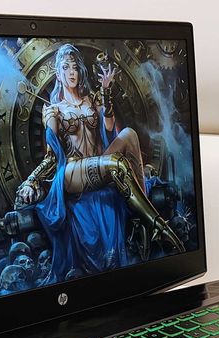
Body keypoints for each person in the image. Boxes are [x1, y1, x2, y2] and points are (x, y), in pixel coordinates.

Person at [15, 44, 185, 283]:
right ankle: (157, 225)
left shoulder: (91, 100)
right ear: (58, 73)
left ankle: (143, 209)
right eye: (65, 67)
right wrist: (32, 180)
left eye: (75, 67)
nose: (71, 72)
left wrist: (105, 92)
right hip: (72, 172)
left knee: (129, 134)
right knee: (115, 164)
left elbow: (108, 129)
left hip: (99, 161)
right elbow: (52, 156)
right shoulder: (53, 111)